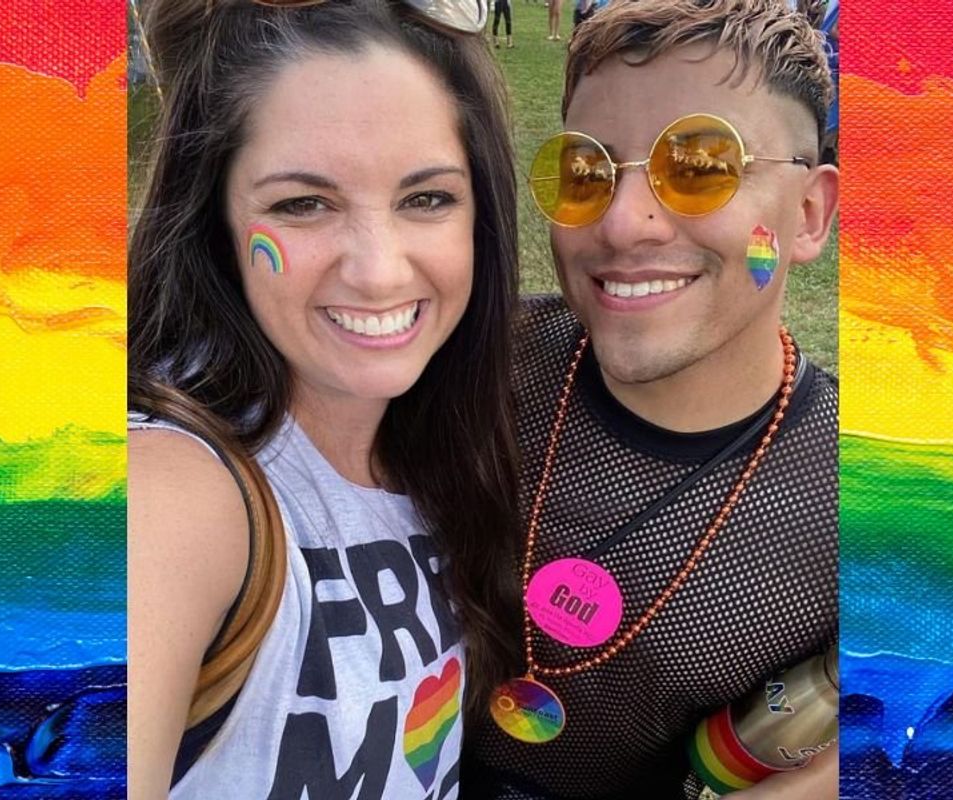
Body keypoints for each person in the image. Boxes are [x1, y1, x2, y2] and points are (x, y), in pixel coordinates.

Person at [126, 1, 524, 797]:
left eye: (427, 199)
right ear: (218, 220)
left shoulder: (446, 441)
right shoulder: (173, 487)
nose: (378, 271)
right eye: (302, 204)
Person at [465, 0, 840, 797]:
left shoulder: (872, 500)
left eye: (701, 167)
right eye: (586, 171)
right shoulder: (471, 364)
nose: (623, 222)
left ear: (808, 215)